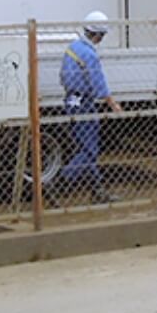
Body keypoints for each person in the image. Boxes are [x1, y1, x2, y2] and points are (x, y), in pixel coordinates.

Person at [57, 10, 123, 204]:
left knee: (85, 148)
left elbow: (62, 76)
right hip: (84, 104)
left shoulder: (72, 48)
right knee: (89, 151)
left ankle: (97, 190)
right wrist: (113, 104)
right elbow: (98, 83)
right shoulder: (90, 54)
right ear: (98, 34)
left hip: (71, 101)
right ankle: (61, 181)